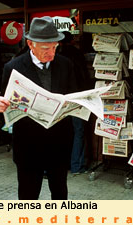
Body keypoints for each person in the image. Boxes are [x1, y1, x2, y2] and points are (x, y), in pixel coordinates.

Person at [0, 16, 78, 200]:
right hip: (28, 145)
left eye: (55, 47)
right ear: (31, 44)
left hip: (59, 143)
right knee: (28, 196)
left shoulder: (66, 64)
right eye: (46, 48)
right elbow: (5, 103)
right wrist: (0, 106)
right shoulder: (13, 67)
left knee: (60, 194)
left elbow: (73, 94)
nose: (52, 53)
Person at [57, 31, 90, 175]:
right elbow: (84, 77)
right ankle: (77, 166)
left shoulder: (55, 56)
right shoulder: (77, 55)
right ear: (71, 41)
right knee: (79, 132)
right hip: (77, 98)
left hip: (60, 100)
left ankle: (58, 165)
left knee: (58, 132)